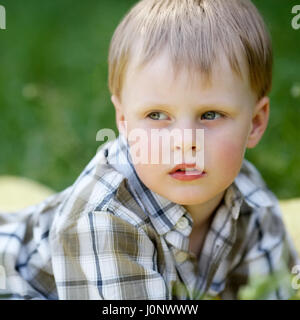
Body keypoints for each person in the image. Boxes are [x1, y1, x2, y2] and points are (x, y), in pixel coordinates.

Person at [0, 0, 299, 300]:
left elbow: (272, 292)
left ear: (255, 122)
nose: (184, 141)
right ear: (124, 120)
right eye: (156, 115)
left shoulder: (252, 201)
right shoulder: (104, 217)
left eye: (210, 114)